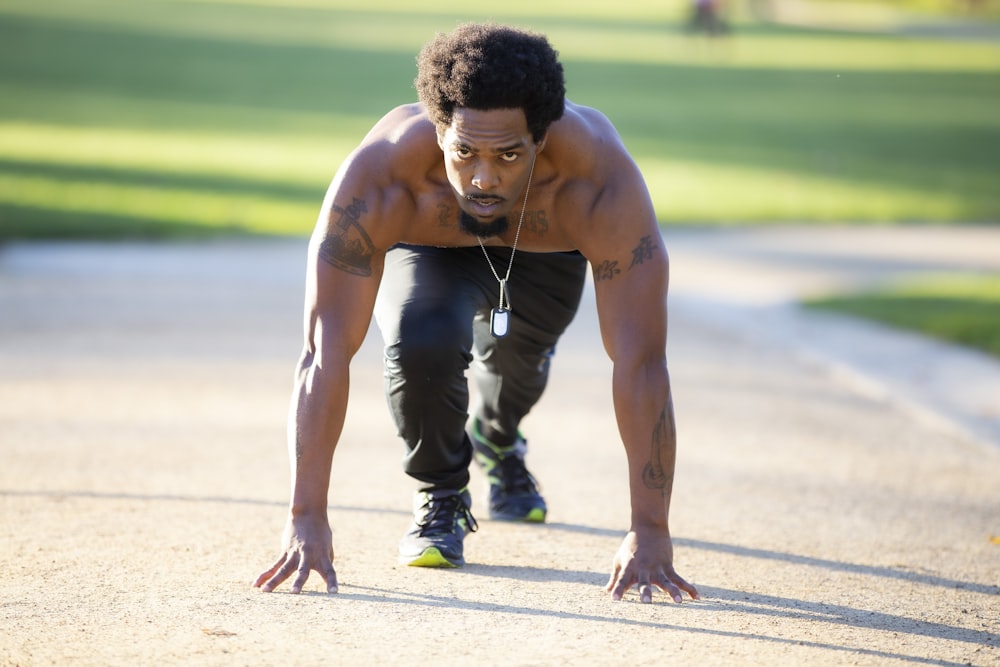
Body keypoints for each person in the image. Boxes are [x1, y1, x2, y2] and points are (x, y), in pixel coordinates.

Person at [253, 22, 699, 604]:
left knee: (518, 368)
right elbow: (323, 351)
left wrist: (651, 529)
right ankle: (441, 493)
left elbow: (640, 361)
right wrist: (305, 515)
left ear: (542, 139)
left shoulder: (597, 185)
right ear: (439, 132)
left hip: (546, 257)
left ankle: (498, 437)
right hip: (429, 250)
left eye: (509, 154)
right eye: (464, 151)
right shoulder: (384, 178)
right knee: (422, 342)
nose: (483, 177)